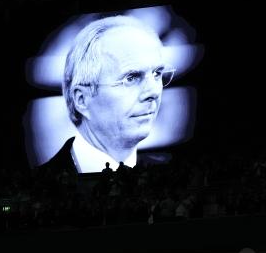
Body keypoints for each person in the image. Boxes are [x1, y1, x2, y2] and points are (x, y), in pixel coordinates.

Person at [41, 15, 175, 173]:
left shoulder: (170, 174)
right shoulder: (37, 183)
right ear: (82, 100)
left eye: (157, 74)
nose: (153, 92)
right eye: (131, 78)